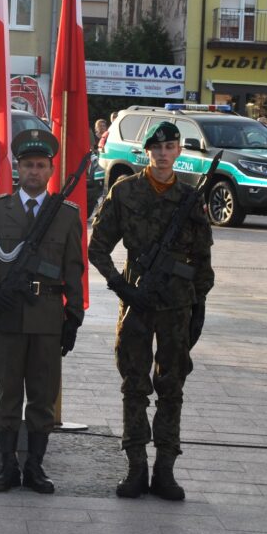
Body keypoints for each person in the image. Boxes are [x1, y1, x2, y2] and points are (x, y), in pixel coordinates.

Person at [88, 120, 214, 501]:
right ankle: (136, 467)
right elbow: (98, 247)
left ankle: (165, 470)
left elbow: (203, 257)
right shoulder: (125, 192)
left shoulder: (191, 198)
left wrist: (198, 303)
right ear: (147, 152)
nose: (162, 154)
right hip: (138, 303)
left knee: (172, 387)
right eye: (156, 148)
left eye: (170, 147)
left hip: (177, 305)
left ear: (178, 152)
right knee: (134, 386)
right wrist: (122, 286)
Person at [0, 128, 84, 495]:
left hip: (48, 316)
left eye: (41, 165)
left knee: (43, 396)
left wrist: (73, 316)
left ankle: (35, 467)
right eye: (27, 165)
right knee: (9, 393)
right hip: (8, 316)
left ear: (51, 170)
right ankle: (7, 466)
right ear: (17, 168)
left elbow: (74, 268)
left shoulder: (65, 214)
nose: (34, 171)